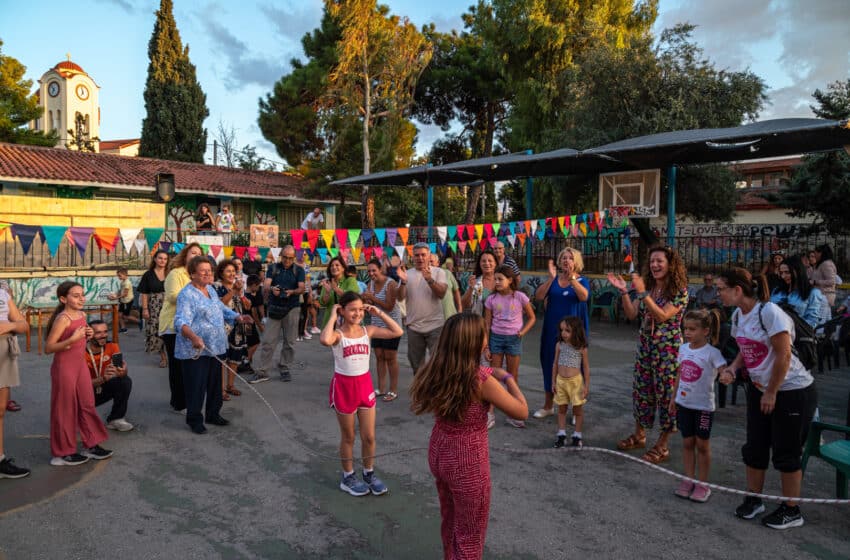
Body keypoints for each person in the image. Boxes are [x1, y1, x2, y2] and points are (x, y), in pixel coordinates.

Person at [410, 312, 528, 560]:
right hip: (467, 461)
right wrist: (507, 377)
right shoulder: (482, 379)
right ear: (475, 341)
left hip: (440, 451)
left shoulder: (436, 369)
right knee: (470, 535)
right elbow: (522, 411)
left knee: (450, 520)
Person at [717, 268, 816, 529]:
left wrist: (772, 391)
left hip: (791, 391)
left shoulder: (769, 312)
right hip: (760, 389)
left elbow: (783, 355)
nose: (718, 294)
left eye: (721, 289)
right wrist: (733, 368)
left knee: (786, 451)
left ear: (737, 290)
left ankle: (791, 510)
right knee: (755, 446)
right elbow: (744, 348)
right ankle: (754, 498)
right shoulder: (739, 315)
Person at [607, 245, 689, 464]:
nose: (654, 265)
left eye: (660, 261)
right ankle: (640, 435)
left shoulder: (680, 291)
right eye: (652, 261)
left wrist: (643, 293)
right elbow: (633, 313)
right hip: (645, 346)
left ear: (671, 264)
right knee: (642, 391)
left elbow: (662, 316)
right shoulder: (649, 288)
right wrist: (625, 291)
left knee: (666, 395)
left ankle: (662, 445)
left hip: (668, 350)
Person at [319, 292, 403, 496]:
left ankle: (369, 473)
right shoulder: (338, 334)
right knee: (348, 436)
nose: (357, 313)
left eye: (360, 309)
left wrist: (379, 312)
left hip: (365, 387)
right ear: (342, 310)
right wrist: (332, 315)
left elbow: (397, 331)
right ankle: (347, 476)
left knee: (369, 436)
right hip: (344, 388)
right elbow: (325, 339)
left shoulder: (369, 330)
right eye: (352, 309)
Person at [174, 257, 253, 435]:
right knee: (196, 386)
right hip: (196, 350)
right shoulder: (187, 295)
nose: (208, 273)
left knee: (214, 383)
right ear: (192, 274)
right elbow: (180, 322)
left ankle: (213, 414)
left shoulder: (210, 289)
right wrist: (194, 337)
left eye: (209, 270)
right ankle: (194, 419)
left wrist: (238, 317)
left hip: (215, 346)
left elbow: (220, 308)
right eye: (203, 271)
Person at [44, 281, 113, 466]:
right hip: (64, 367)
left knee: (87, 404)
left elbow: (80, 340)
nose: (81, 298)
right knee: (65, 409)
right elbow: (49, 348)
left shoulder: (82, 314)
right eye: (76, 295)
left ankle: (91, 444)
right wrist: (72, 338)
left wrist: (88, 334)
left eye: (82, 294)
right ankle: (64, 452)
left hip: (80, 365)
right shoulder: (63, 318)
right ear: (63, 298)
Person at [668, 309, 730, 503]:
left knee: (702, 445)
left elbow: (723, 370)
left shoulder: (713, 353)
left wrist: (727, 375)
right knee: (687, 443)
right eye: (685, 328)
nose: (687, 332)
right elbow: (680, 373)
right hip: (683, 404)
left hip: (703, 407)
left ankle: (703, 484)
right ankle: (688, 480)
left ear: (705, 331)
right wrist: (673, 398)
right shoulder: (683, 349)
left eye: (692, 329)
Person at [534, 248, 590, 419]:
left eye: (570, 258)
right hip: (552, 329)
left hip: (574, 332)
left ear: (576, 262)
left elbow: (584, 297)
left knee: (574, 368)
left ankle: (576, 409)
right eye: (563, 258)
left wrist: (572, 279)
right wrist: (551, 278)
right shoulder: (554, 280)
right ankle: (548, 405)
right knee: (550, 363)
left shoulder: (581, 280)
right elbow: (538, 296)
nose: (566, 261)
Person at [484, 265, 536, 428]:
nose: (497, 282)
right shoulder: (491, 299)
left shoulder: (520, 297)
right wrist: (486, 347)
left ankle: (513, 412)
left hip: (514, 339)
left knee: (512, 376)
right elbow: (486, 324)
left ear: (510, 280)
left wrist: (522, 332)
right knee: (492, 376)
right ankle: (490, 412)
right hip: (496, 339)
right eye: (495, 279)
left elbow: (532, 317)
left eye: (500, 279)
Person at [160, 243, 204, 414]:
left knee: (188, 365)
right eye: (193, 252)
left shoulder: (197, 276)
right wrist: (195, 297)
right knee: (177, 366)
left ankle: (185, 399)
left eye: (199, 253)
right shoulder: (176, 273)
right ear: (185, 255)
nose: (196, 255)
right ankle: (179, 403)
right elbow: (172, 297)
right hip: (172, 325)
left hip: (190, 327)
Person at [255, 246, 305, 383]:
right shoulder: (273, 268)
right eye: (285, 257)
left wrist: (292, 292)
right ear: (281, 256)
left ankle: (285, 367)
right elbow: (266, 285)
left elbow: (302, 288)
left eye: (290, 258)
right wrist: (272, 289)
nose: (287, 260)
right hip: (275, 307)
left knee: (290, 341)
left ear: (294, 258)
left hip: (292, 307)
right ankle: (262, 371)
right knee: (268, 341)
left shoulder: (298, 270)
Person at [397, 243, 448, 374]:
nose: (420, 258)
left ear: (429, 255)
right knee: (417, 366)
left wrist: (429, 279)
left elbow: (441, 294)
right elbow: (400, 297)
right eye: (417, 255)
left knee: (438, 364)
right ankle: (421, 392)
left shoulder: (438, 272)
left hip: (435, 326)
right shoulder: (406, 274)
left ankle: (437, 392)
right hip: (414, 327)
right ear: (412, 257)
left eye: (423, 255)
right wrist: (402, 282)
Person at [0, 285, 30, 478]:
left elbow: (24, 325)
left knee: (0, 409)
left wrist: (9, 326)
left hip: (3, 350)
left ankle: (0, 460)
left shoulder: (2, 293)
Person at [362, 259, 402, 401]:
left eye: (374, 270)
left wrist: (372, 298)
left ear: (380, 270)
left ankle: (393, 390)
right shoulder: (370, 284)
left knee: (390, 357)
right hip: (376, 325)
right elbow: (371, 304)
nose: (371, 273)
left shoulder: (390, 284)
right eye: (369, 271)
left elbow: (389, 306)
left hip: (391, 325)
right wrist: (366, 301)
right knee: (379, 356)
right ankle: (381, 388)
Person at [85, 320, 134, 432]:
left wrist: (123, 371)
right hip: (84, 392)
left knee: (125, 381)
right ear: (89, 334)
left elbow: (119, 371)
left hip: (102, 387)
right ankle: (78, 416)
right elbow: (79, 385)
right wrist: (103, 378)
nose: (103, 336)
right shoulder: (80, 352)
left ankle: (116, 419)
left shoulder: (112, 346)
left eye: (105, 332)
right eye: (98, 333)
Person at [551, 316, 590, 449]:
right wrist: (553, 382)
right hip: (561, 382)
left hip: (576, 383)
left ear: (576, 331)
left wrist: (586, 385)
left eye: (567, 330)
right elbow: (555, 363)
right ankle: (561, 435)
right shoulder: (559, 345)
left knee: (577, 410)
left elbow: (585, 367)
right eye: (562, 330)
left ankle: (577, 435)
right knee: (561, 409)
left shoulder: (581, 348)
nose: (563, 333)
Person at [213, 259, 250, 400]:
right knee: (222, 358)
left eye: (233, 271)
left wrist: (242, 295)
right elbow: (219, 304)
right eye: (228, 271)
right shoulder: (216, 286)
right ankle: (221, 389)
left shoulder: (239, 286)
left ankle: (230, 385)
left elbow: (247, 306)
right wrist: (233, 291)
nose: (231, 274)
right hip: (222, 326)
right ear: (221, 272)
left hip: (238, 327)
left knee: (235, 358)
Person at [771, 256, 830, 328]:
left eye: (787, 272)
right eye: (781, 273)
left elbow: (812, 321)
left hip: (797, 335)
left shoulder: (812, 293)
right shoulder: (777, 291)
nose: (783, 276)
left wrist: (789, 327)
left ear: (798, 271)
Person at [138, 250, 169, 368]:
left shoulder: (170, 273)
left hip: (169, 306)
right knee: (157, 331)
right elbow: (144, 293)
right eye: (160, 258)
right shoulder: (148, 275)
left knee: (170, 331)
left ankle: (172, 356)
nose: (163, 261)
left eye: (165, 259)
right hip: (155, 307)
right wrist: (145, 309)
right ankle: (163, 357)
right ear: (155, 259)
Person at [319, 256, 360, 329]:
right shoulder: (327, 282)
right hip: (330, 321)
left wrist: (336, 289)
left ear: (343, 268)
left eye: (337, 265)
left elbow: (352, 298)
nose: (334, 267)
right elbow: (322, 303)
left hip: (347, 321)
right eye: (332, 266)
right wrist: (327, 293)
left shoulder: (350, 280)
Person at [461, 251, 497, 316]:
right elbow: (464, 305)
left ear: (495, 263)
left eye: (490, 260)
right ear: (479, 264)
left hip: (502, 323)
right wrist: (470, 289)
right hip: (480, 322)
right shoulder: (476, 282)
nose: (487, 263)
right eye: (483, 261)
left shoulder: (502, 281)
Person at [107, 267, 139, 333]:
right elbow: (120, 291)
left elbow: (125, 294)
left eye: (120, 276)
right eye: (118, 276)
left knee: (125, 316)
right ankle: (123, 328)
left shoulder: (127, 283)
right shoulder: (123, 282)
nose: (119, 277)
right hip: (123, 301)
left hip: (127, 301)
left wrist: (115, 298)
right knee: (119, 315)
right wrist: (114, 295)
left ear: (125, 274)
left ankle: (140, 322)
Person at [431, 253, 460, 319]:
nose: (429, 264)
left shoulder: (447, 273)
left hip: (450, 315)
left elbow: (456, 290)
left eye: (431, 261)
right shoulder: (422, 277)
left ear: (437, 263)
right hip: (433, 319)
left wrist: (460, 308)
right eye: (427, 262)